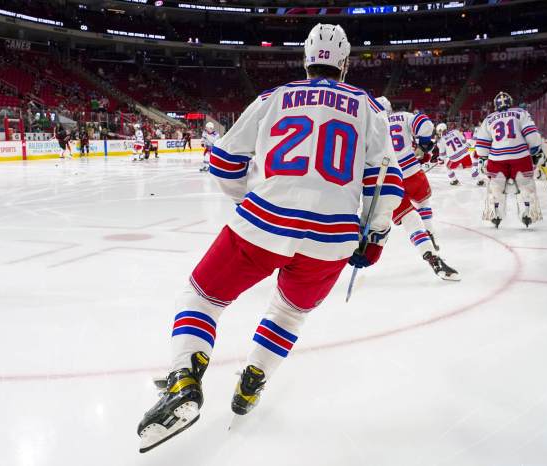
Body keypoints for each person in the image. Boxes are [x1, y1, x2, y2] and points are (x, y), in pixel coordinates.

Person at [137, 23, 402, 453]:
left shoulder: (272, 98)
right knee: (290, 314)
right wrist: (375, 236)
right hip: (331, 238)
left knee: (200, 297)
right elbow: (386, 184)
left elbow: (223, 161)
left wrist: (251, 200)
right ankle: (252, 381)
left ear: (306, 59)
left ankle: (184, 378)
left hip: (264, 221)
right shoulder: (368, 106)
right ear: (345, 64)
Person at [376, 96, 459, 281]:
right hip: (411, 172)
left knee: (410, 220)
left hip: (387, 181)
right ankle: (430, 231)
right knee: (423, 202)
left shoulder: (368, 127)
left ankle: (430, 255)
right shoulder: (403, 116)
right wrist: (422, 144)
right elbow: (425, 124)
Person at [475, 91, 543, 228]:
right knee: (525, 185)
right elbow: (532, 135)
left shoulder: (489, 118)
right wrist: (535, 151)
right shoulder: (521, 112)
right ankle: (527, 211)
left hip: (496, 159)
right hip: (521, 157)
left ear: (495, 105)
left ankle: (496, 213)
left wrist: (483, 158)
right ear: (511, 103)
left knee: (496, 186)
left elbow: (481, 146)